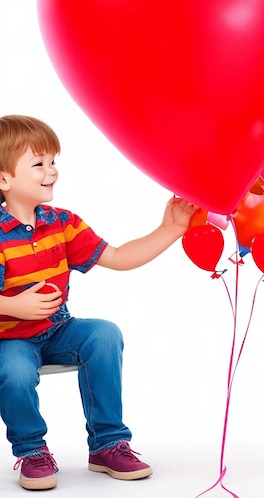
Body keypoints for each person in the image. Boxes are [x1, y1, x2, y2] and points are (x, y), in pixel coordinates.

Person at [0, 114, 195, 490]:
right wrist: (13, 307)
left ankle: (108, 444)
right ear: (4, 179)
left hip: (57, 329)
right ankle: (32, 451)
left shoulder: (62, 222)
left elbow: (119, 257)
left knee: (103, 335)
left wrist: (171, 229)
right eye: (38, 163)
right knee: (14, 372)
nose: (51, 170)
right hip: (11, 339)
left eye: (53, 161)